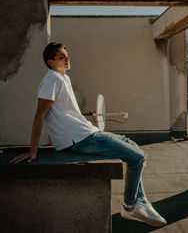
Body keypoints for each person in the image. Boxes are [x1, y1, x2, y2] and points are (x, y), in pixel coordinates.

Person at [10, 42, 167, 228]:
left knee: (133, 146)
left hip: (87, 132)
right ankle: (130, 205)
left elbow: (60, 115)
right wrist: (33, 151)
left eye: (66, 55)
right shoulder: (52, 80)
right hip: (83, 139)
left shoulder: (63, 77)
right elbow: (40, 115)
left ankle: (140, 200)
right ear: (50, 62)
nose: (67, 59)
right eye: (61, 57)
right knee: (138, 157)